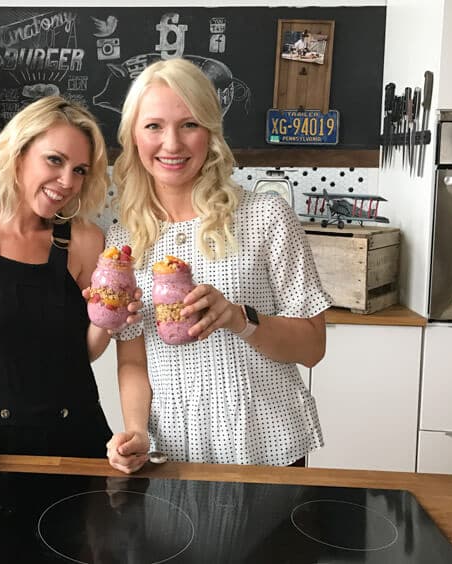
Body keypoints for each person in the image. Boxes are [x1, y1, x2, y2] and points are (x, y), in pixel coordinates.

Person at [105, 58, 332, 474]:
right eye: (154, 126)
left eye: (189, 124)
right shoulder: (125, 242)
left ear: (210, 133)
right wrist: (136, 431)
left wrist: (238, 318)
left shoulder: (265, 215)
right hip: (171, 446)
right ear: (134, 137)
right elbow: (134, 360)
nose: (171, 144)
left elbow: (313, 347)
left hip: (267, 440)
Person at [0, 96, 139, 476]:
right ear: (17, 154)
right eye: (54, 160)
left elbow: (79, 353)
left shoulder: (85, 241)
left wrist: (107, 321)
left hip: (78, 450)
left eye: (80, 170)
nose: (68, 182)